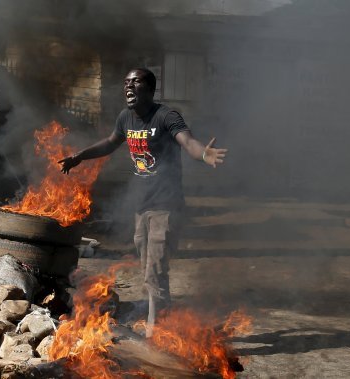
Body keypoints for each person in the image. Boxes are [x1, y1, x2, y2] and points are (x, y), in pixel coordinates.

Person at [59, 68, 227, 336]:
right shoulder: (126, 117)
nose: (128, 87)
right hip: (142, 208)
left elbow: (188, 142)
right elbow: (111, 142)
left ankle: (155, 330)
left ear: (150, 89)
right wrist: (80, 156)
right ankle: (166, 316)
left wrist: (203, 154)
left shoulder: (166, 116)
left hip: (166, 207)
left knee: (155, 270)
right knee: (150, 269)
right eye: (126, 82)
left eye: (135, 82)